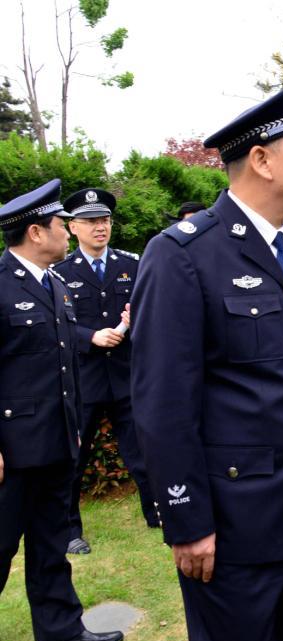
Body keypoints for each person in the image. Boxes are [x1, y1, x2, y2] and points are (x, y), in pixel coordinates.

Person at [130, 76, 283, 641]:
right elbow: (163, 404)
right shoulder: (183, 256)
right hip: (236, 526)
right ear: (262, 159)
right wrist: (187, 521)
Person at [0, 179, 124, 641]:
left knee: (51, 546)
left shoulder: (53, 283)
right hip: (12, 451)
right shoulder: (1, 286)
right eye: (59, 224)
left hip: (55, 441)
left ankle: (62, 633)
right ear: (36, 232)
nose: (66, 232)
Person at [54, 188, 158, 555]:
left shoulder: (132, 264)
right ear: (73, 228)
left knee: (142, 451)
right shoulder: (60, 274)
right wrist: (90, 336)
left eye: (105, 220)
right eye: (91, 221)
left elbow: (153, 312)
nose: (100, 228)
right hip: (84, 380)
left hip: (127, 376)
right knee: (73, 459)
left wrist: (135, 321)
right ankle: (69, 531)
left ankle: (157, 512)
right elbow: (54, 324)